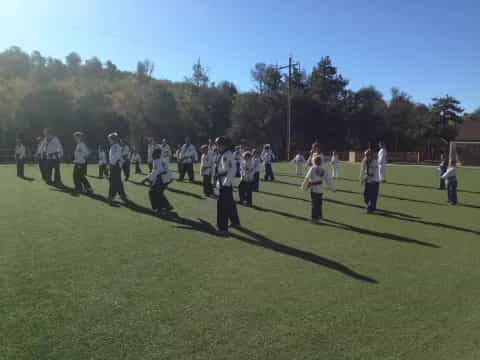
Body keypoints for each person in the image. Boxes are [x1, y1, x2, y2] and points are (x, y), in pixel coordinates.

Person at [215, 136, 240, 234]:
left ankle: (223, 228)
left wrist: (226, 183)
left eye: (218, 145)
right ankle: (235, 222)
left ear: (223, 145)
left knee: (222, 205)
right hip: (224, 182)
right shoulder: (223, 154)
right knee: (230, 204)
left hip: (225, 183)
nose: (217, 147)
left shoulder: (227, 155)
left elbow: (231, 170)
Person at [301, 155, 336, 223]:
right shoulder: (323, 169)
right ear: (321, 162)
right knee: (319, 204)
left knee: (314, 204)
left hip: (314, 189)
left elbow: (307, 178)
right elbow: (328, 180)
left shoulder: (312, 168)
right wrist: (333, 188)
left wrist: (303, 186)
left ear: (314, 161)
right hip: (320, 190)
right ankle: (319, 216)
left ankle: (314, 218)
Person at [142, 148, 173, 212]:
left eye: (154, 153)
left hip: (163, 178)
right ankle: (167, 206)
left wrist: (146, 179)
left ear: (157, 154)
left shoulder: (157, 161)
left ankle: (156, 208)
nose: (152, 155)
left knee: (152, 192)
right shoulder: (161, 160)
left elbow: (156, 172)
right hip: (167, 177)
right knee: (159, 192)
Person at [107, 133, 127, 204]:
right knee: (118, 181)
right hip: (115, 165)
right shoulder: (114, 146)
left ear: (113, 139)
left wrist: (111, 165)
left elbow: (115, 157)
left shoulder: (115, 147)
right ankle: (122, 195)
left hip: (115, 166)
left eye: (109, 139)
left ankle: (111, 196)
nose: (109, 140)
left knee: (113, 181)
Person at [360, 149, 380, 214]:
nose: (366, 156)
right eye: (366, 155)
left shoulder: (375, 162)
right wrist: (361, 179)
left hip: (374, 181)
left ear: (371, 155)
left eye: (368, 155)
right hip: (367, 181)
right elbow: (362, 170)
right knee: (365, 194)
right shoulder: (364, 161)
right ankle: (370, 206)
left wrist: (373, 179)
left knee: (373, 196)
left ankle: (370, 209)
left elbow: (376, 173)